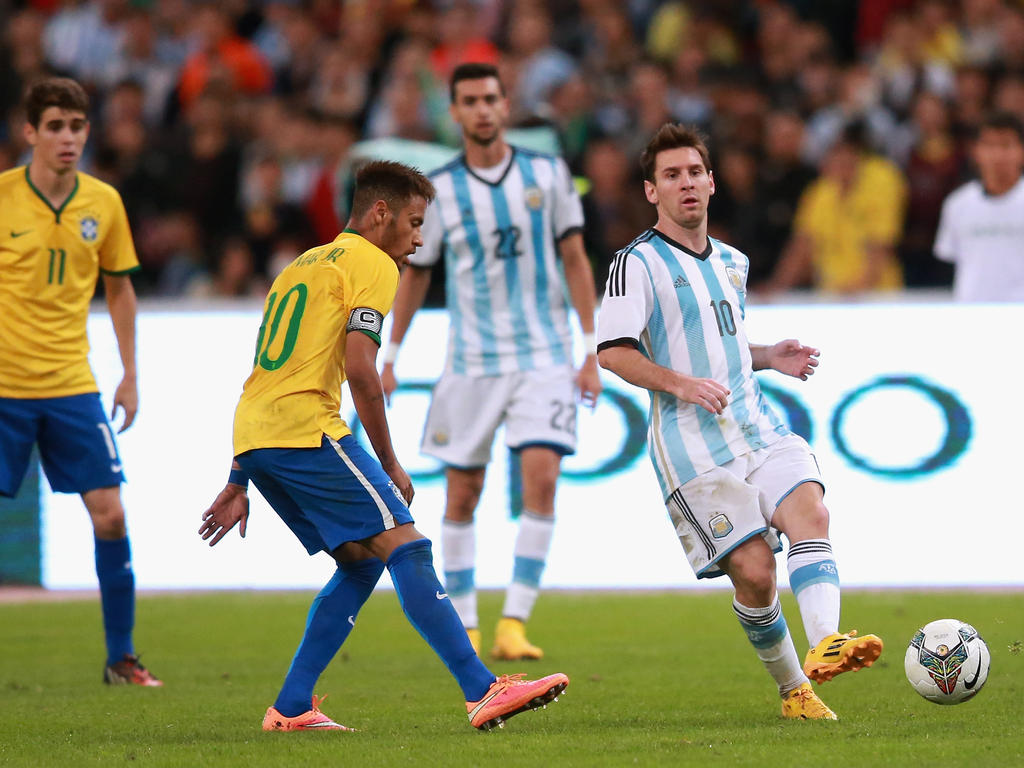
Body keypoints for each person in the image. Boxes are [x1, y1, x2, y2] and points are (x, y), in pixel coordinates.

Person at [198, 159, 569, 732]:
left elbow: (267, 372)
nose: (419, 239)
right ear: (380, 214)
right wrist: (390, 461)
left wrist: (239, 475)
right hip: (307, 428)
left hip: (255, 433)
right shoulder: (371, 262)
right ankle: (481, 688)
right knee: (407, 543)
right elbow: (362, 370)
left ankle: (292, 706)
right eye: (415, 223)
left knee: (360, 561)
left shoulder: (301, 263)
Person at [595, 123, 883, 720]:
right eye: (671, 175)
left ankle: (827, 640)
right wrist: (679, 383)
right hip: (691, 448)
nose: (686, 184)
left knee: (812, 511)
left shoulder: (732, 261)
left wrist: (766, 356)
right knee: (754, 574)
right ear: (652, 192)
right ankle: (793, 691)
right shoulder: (634, 264)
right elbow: (613, 351)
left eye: (695, 172)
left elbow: (718, 342)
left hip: (755, 425)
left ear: (712, 181)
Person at [380, 62, 602, 661]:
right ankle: (471, 626)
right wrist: (392, 355)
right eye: (470, 101)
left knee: (544, 477)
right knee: (461, 495)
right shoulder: (439, 191)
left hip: (544, 354)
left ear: (506, 106)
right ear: (454, 112)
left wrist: (588, 351)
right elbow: (416, 276)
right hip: (472, 360)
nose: (482, 109)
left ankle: (514, 625)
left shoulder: (548, 173)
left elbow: (576, 260)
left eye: (491, 99)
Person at [0, 77, 161, 686]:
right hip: (4, 386)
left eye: (76, 127)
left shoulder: (104, 203)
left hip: (71, 384)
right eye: (55, 127)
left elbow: (120, 289)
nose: (68, 138)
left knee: (111, 515)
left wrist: (130, 373)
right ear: (30, 133)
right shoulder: (3, 197)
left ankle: (122, 658)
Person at [934, 112, 1024, 302]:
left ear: (1021, 151)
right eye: (990, 146)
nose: (998, 155)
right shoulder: (957, 204)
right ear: (976, 151)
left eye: (1006, 145)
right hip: (973, 313)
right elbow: (950, 259)